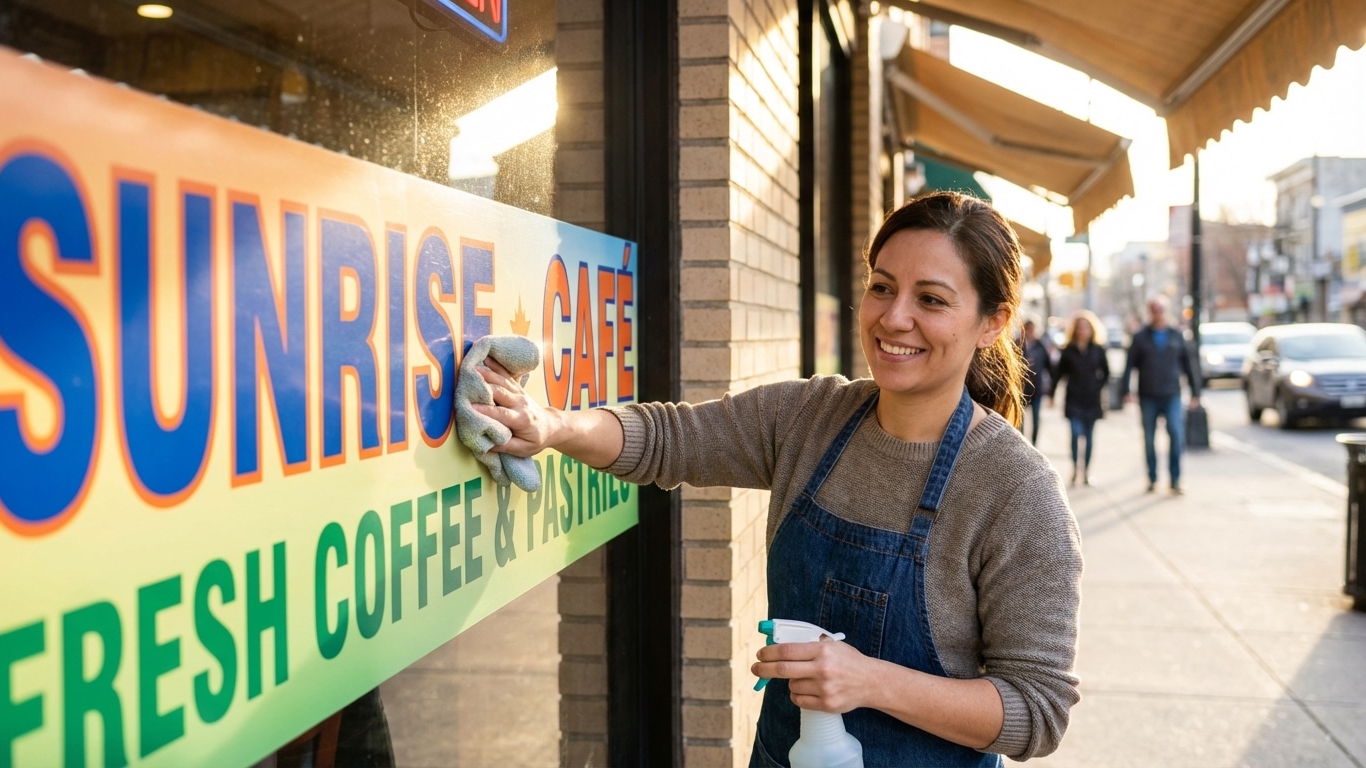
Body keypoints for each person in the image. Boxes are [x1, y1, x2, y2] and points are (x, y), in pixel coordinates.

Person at [471, 192, 1083, 765]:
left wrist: (868, 680)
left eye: (931, 299)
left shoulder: (1015, 491)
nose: (894, 318)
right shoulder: (810, 419)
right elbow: (668, 439)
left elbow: (1038, 708)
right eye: (882, 287)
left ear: (992, 323)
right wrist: (549, 426)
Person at [1119, 296, 1201, 494]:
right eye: (1154, 309)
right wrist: (1126, 391)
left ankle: (1175, 479)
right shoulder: (1140, 337)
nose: (1158, 313)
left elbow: (1190, 365)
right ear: (1150, 312)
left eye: (1161, 309)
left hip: (1172, 394)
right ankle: (1152, 477)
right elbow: (1129, 366)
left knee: (1176, 433)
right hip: (1148, 395)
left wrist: (1195, 392)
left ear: (1166, 311)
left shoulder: (1177, 335)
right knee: (1149, 438)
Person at [1049, 311, 1110, 486]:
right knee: (1076, 434)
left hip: (1092, 398)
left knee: (1089, 437)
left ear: (1092, 329)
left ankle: (1086, 473)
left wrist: (1098, 386)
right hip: (1074, 398)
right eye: (1080, 327)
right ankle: (1076, 469)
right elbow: (1059, 374)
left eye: (1086, 327)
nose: (1083, 331)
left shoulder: (1098, 350)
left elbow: (1106, 373)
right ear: (1075, 330)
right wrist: (1052, 395)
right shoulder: (1068, 350)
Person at [1018, 318, 1053, 446]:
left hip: (1036, 389)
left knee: (1036, 419)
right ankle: (1021, 443)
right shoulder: (1017, 343)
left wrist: (1050, 387)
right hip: (1020, 389)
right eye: (1027, 328)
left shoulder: (1040, 345)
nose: (1029, 332)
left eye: (1032, 329)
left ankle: (1033, 443)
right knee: (1020, 420)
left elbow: (1049, 366)